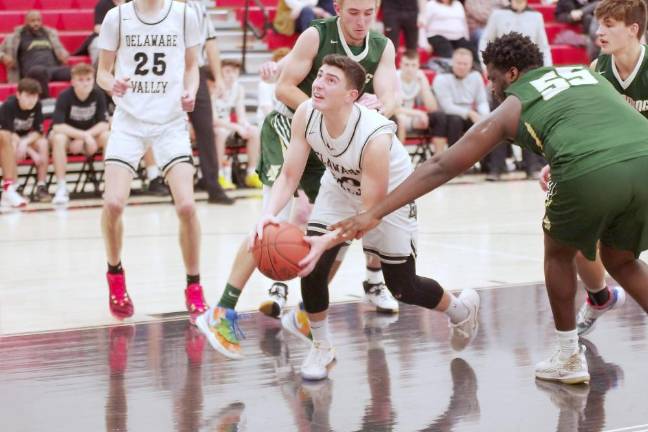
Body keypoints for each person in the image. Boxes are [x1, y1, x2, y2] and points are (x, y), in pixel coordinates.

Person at [334, 32, 648, 385]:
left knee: (559, 254)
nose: (490, 84)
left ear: (511, 74)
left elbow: (442, 166)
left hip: (588, 170)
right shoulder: (584, 72)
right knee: (621, 260)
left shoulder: (514, 104)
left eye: (493, 76)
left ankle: (568, 357)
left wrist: (374, 212)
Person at [251, 55, 481, 380]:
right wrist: (267, 216)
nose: (318, 83)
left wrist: (325, 242)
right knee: (313, 266)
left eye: (331, 80)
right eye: (319, 75)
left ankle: (460, 309)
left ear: (351, 95)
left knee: (403, 287)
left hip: (389, 199)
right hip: (339, 186)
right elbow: (288, 176)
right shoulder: (305, 113)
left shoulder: (374, 137)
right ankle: (322, 347)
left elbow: (368, 217)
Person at [195, 0, 401, 360]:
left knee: (340, 227)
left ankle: (306, 312)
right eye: (354, 12)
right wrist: (330, 110)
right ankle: (222, 310)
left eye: (369, 13)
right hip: (290, 129)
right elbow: (284, 87)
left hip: (333, 139)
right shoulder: (314, 36)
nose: (362, 21)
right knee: (277, 221)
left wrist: (379, 108)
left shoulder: (381, 46)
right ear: (338, 7)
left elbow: (392, 94)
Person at [538, 0, 646, 336]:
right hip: (614, 172)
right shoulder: (598, 69)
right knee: (577, 236)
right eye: (599, 24)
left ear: (634, 29)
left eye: (609, 24)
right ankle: (600, 297)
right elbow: (582, 126)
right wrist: (557, 163)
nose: (599, 31)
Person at [96, 0, 207, 323]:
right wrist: (111, 82)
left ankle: (194, 284)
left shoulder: (185, 15)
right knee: (113, 203)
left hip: (170, 122)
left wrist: (190, 92)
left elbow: (191, 67)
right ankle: (115, 273)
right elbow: (103, 71)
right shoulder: (117, 17)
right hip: (129, 121)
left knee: (187, 206)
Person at [184, 0, 233, 204]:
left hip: (197, 72)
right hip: (168, 74)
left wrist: (219, 76)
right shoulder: (161, 5)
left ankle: (213, 185)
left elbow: (211, 42)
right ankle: (177, 188)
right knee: (172, 131)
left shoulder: (198, 6)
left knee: (206, 129)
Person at [50, 63, 110, 205]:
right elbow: (58, 126)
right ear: (73, 81)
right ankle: (61, 187)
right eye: (81, 80)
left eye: (88, 79)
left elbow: (104, 123)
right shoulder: (64, 96)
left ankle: (109, 186)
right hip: (70, 138)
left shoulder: (98, 94)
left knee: (108, 136)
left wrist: (88, 136)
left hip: (91, 138)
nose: (85, 83)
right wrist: (83, 136)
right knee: (58, 138)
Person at [210, 59, 262, 190]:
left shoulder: (238, 89)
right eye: (227, 71)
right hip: (213, 126)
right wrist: (236, 127)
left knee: (254, 131)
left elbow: (241, 116)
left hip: (227, 125)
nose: (231, 75)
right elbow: (212, 119)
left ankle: (251, 174)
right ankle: (219, 175)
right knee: (221, 133)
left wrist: (245, 125)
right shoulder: (213, 87)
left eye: (235, 71)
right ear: (220, 72)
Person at [0, 78, 49, 204]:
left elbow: (39, 132)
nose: (31, 100)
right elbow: (8, 133)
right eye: (27, 96)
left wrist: (25, 143)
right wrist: (31, 152)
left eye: (34, 96)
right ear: (18, 94)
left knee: (43, 143)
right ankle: (14, 187)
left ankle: (41, 186)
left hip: (26, 139)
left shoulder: (37, 105)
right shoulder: (8, 105)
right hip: (12, 139)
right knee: (12, 144)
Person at [0, 10, 71, 97]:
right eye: (32, 21)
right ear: (26, 22)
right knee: (38, 71)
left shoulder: (49, 35)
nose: (36, 23)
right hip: (32, 72)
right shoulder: (14, 37)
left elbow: (61, 50)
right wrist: (3, 56)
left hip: (53, 69)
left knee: (76, 72)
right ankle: (45, 104)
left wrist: (63, 54)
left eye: (38, 20)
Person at [433, 48, 490, 150]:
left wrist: (485, 117)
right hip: (447, 118)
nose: (462, 67)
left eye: (465, 64)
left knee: (489, 122)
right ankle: (455, 159)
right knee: (455, 120)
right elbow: (447, 107)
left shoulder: (476, 76)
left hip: (468, 116)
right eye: (459, 63)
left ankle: (488, 163)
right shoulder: (441, 78)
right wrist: (470, 113)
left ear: (471, 64)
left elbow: (482, 101)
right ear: (452, 62)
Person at [396, 49, 448, 155]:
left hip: (412, 119)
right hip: (396, 117)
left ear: (418, 66)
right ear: (400, 64)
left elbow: (432, 108)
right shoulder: (394, 77)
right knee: (400, 119)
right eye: (406, 64)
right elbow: (394, 109)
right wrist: (419, 113)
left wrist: (424, 84)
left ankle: (439, 156)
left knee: (439, 116)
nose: (409, 69)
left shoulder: (420, 78)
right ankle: (399, 159)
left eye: (413, 65)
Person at [478, 0, 553, 67]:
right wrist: (485, 65)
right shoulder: (497, 15)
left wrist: (547, 69)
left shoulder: (536, 16)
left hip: (528, 67)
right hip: (503, 67)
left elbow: (543, 47)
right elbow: (486, 40)